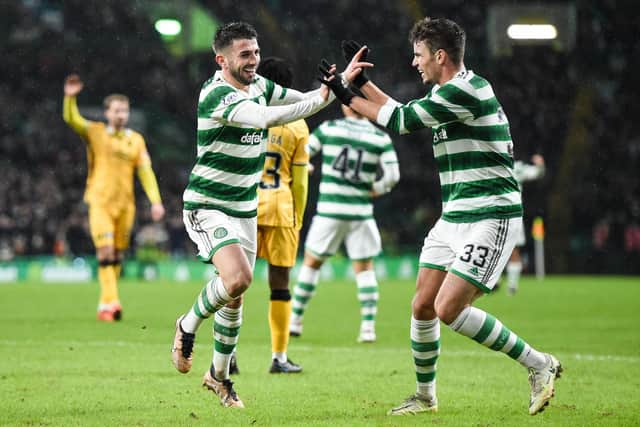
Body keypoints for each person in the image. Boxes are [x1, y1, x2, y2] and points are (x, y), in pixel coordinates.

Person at [321, 18, 562, 416]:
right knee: (422, 305)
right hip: (455, 214)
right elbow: (396, 110)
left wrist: (345, 93)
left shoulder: (467, 90)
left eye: (418, 56)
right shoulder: (448, 92)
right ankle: (425, 396)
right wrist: (356, 85)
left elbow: (399, 121)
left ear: (439, 56)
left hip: (490, 213)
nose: (414, 63)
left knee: (448, 308)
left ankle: (540, 365)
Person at [170, 22, 339, 409]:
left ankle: (219, 377)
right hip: (208, 205)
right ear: (222, 59)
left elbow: (297, 97)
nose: (254, 61)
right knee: (239, 277)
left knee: (236, 295)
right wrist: (327, 99)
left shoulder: (260, 84)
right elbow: (270, 118)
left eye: (256, 52)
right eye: (245, 54)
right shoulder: (217, 95)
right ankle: (187, 324)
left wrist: (337, 84)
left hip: (246, 208)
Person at [289, 104, 400, 343]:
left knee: (311, 264)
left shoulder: (330, 129)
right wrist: (376, 189)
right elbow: (393, 176)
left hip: (330, 210)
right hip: (360, 212)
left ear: (344, 104)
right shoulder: (380, 137)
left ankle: (295, 321)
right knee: (364, 269)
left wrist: (306, 167)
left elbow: (302, 153)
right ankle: (368, 328)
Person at [62, 74, 165, 322]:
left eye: (124, 111)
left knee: (117, 255)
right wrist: (69, 98)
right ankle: (113, 301)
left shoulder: (135, 140)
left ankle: (105, 303)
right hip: (100, 202)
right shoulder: (96, 132)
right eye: (116, 110)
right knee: (106, 252)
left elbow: (146, 171)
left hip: (125, 205)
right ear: (107, 113)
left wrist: (156, 201)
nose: (121, 115)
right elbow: (72, 119)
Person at [254, 56, 311, 374]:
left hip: (246, 206)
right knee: (280, 284)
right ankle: (279, 356)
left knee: (234, 282)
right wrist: (299, 216)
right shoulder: (297, 124)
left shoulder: (247, 117)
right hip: (280, 207)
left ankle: (227, 354)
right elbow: (301, 181)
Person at [505, 154, 545, 295]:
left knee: (514, 251)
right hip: (489, 212)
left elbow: (537, 173)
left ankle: (512, 285)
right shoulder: (489, 162)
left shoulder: (518, 167)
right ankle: (490, 282)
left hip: (511, 214)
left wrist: (540, 165)